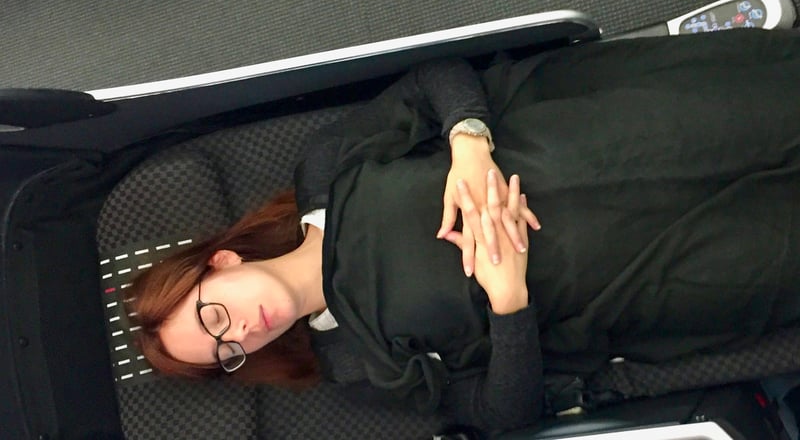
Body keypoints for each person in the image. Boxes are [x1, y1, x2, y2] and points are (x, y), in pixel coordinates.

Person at [127, 28, 800, 433]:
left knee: (760, 113)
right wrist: (508, 299)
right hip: (636, 276)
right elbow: (504, 412)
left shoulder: (325, 173)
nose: (242, 332)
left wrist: (467, 144)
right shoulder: (357, 367)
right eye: (228, 353)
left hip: (595, 146)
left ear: (221, 262)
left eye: (215, 317)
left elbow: (434, 81)